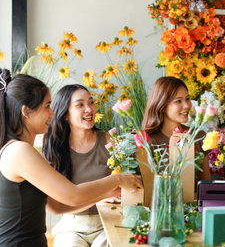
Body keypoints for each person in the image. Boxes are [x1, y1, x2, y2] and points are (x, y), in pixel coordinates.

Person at [0, 69, 141, 246]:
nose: (52, 113)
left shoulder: (21, 150)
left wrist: (104, 195)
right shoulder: (19, 151)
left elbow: (56, 207)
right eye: (47, 106)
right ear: (26, 112)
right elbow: (73, 195)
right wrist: (118, 179)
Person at [41, 84, 111, 247]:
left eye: (91, 102)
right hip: (71, 226)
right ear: (65, 114)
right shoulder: (54, 148)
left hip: (106, 223)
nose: (89, 109)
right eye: (80, 105)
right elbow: (53, 204)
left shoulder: (108, 141)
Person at [141, 76, 211, 181]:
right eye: (178, 101)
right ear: (162, 106)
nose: (187, 105)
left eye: (187, 99)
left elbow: (205, 185)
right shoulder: (148, 142)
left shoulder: (198, 136)